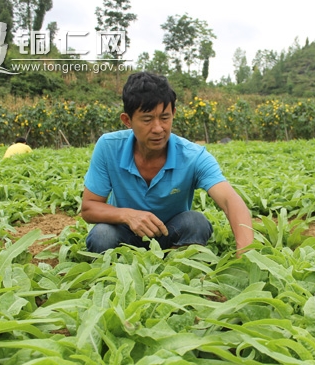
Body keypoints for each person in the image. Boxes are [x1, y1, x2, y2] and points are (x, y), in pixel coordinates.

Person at [81, 72, 253, 256]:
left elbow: (230, 200)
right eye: (147, 119)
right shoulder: (108, 147)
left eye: (165, 118)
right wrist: (128, 215)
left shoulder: (193, 156)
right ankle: (124, 271)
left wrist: (246, 254)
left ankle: (174, 264)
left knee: (196, 223)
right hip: (126, 233)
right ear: (127, 120)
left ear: (173, 114)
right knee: (101, 236)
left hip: (170, 232)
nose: (158, 128)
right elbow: (89, 207)